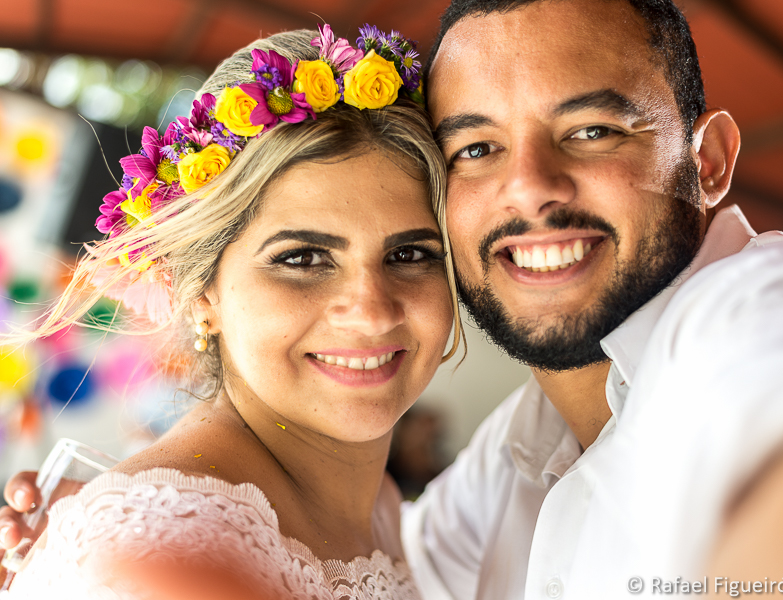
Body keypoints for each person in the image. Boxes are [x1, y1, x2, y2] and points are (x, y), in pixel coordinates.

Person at [5, 0, 783, 598]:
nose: (529, 190)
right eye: (475, 148)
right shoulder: (518, 448)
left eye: (589, 130)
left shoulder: (765, 313)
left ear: (706, 163)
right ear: (199, 293)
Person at [0, 25, 463, 600]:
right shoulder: (160, 558)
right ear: (201, 293)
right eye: (303, 258)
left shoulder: (382, 509)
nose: (371, 312)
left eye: (410, 254)